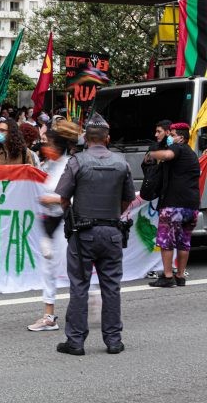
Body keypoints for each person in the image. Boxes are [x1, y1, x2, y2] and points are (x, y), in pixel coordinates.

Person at [54, 112, 135, 355]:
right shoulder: (122, 163)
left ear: (85, 138)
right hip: (111, 232)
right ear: (107, 138)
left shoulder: (76, 162)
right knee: (111, 286)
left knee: (79, 285)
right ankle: (113, 340)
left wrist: (74, 216)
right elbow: (127, 201)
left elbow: (63, 199)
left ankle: (76, 341)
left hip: (83, 233)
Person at [27, 120, 81, 332]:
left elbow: (74, 196)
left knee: (71, 268)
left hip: (63, 225)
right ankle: (49, 315)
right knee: (49, 269)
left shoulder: (70, 165)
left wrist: (53, 200)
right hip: (48, 226)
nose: (44, 147)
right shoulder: (49, 166)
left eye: (47, 143)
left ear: (57, 146)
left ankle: (93, 298)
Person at [145, 122, 200, 287]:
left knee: (166, 241)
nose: (170, 137)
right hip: (192, 206)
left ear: (180, 138)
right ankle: (181, 276)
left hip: (173, 204)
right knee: (185, 242)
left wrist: (153, 154)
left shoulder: (178, 148)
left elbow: (168, 155)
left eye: (173, 134)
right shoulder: (191, 154)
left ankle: (168, 276)